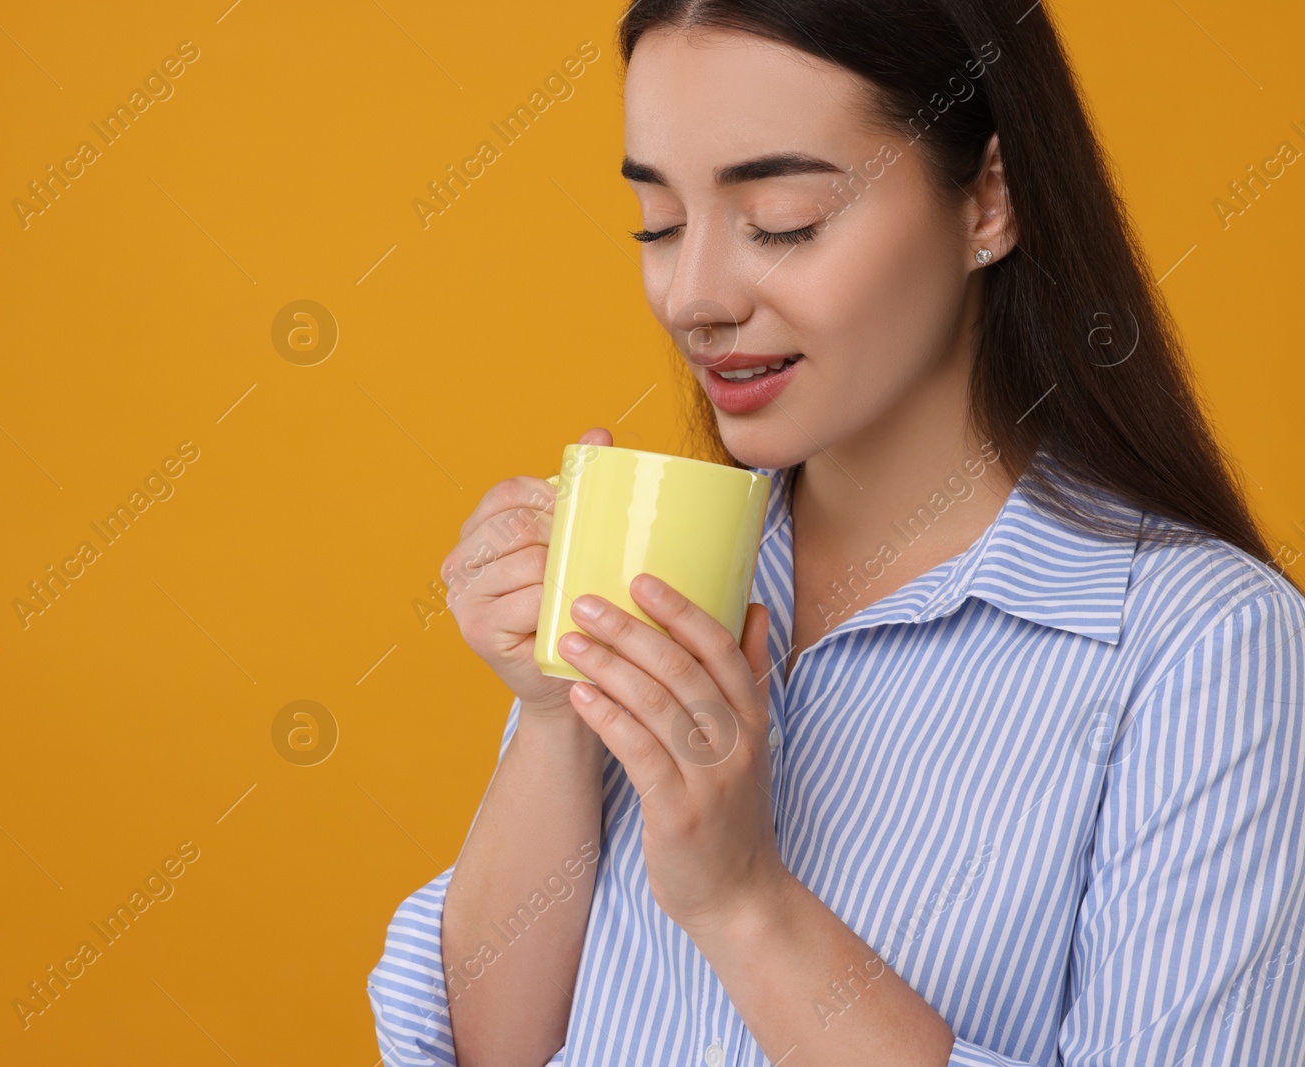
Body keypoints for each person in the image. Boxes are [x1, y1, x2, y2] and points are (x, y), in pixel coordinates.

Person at [368, 1, 1305, 1064]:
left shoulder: (1201, 649)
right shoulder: (656, 572)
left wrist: (745, 900)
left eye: (783, 220)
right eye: (658, 224)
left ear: (988, 198)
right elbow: (495, 1049)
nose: (694, 298)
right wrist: (552, 721)